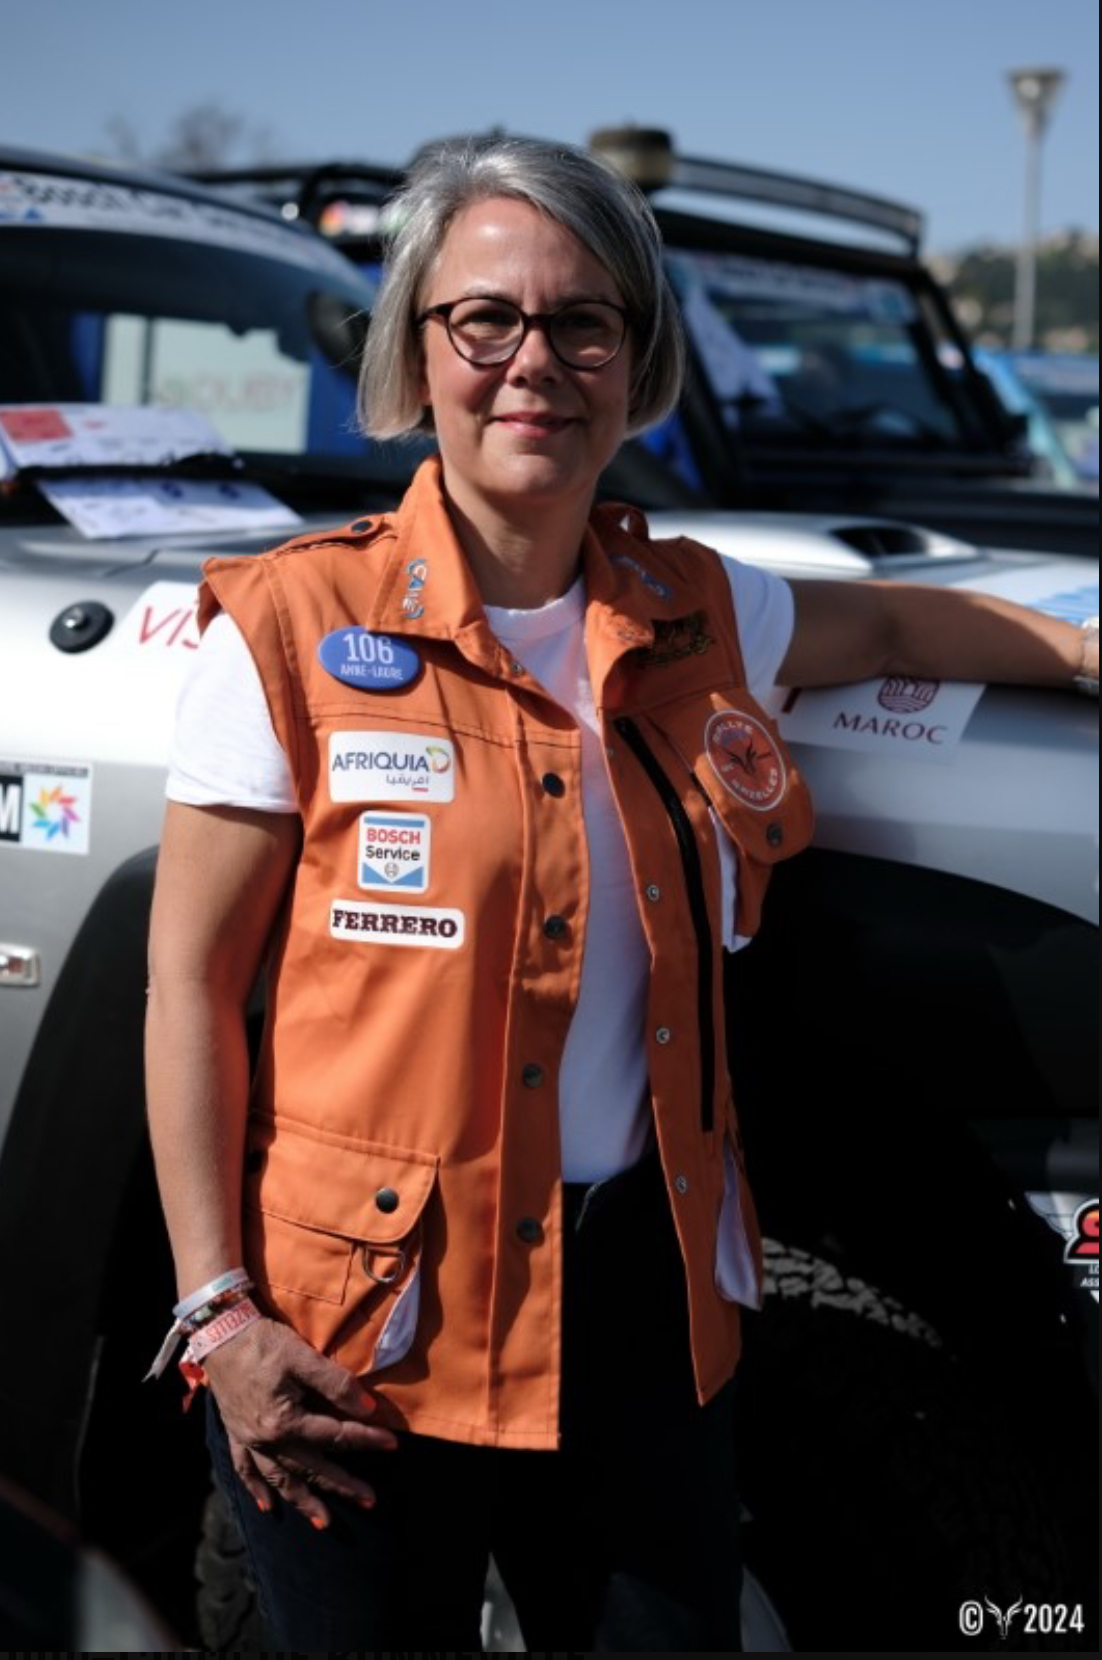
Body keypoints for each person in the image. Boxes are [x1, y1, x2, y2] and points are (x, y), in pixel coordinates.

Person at [145, 135, 1098, 1652]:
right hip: (355, 1342)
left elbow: (899, 626)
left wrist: (1083, 648)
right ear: (417, 351)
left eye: (583, 323)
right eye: (485, 319)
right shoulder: (285, 628)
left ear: (637, 360)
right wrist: (217, 1316)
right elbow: (189, 991)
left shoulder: (699, 609)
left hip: (645, 1322)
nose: (534, 361)